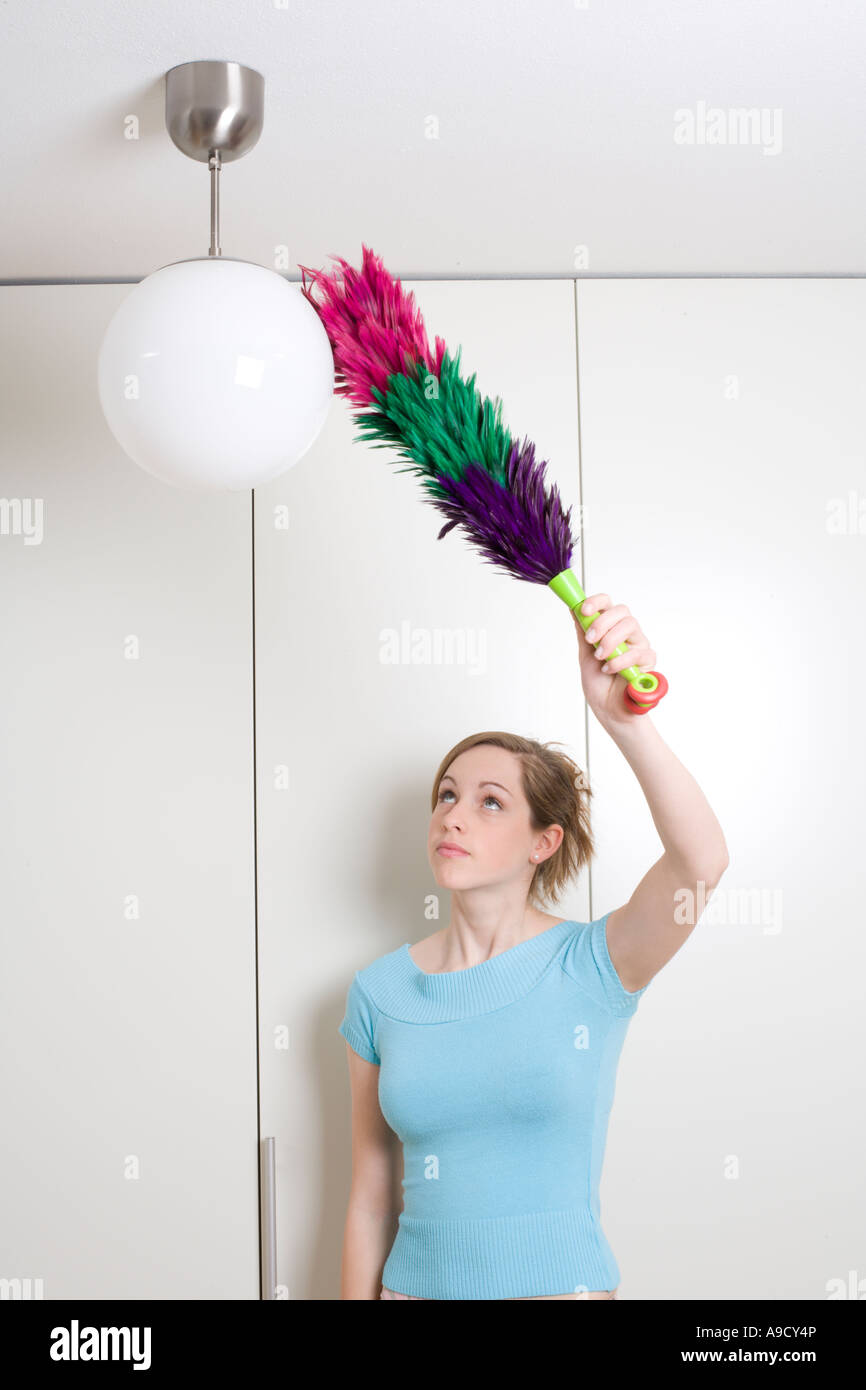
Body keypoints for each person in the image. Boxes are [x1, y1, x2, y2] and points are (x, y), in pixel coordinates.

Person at [338, 594, 729, 1299]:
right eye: (447, 795)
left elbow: (700, 865)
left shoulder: (593, 967)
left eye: (491, 801)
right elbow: (369, 1196)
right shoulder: (378, 994)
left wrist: (622, 719)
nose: (455, 815)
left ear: (542, 843)